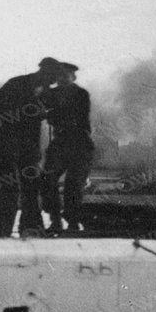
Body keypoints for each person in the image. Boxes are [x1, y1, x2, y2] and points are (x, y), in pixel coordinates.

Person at [0, 57, 62, 237]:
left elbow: (56, 114)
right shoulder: (17, 83)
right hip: (5, 141)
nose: (54, 82)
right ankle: (1, 232)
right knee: (8, 186)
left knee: (31, 185)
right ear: (45, 72)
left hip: (29, 144)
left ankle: (30, 229)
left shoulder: (48, 93)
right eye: (53, 77)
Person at [41, 62, 94, 232]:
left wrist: (50, 114)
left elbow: (74, 114)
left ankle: (72, 222)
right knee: (47, 180)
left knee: (73, 185)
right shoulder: (52, 93)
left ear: (73, 77)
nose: (62, 78)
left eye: (66, 75)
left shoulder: (81, 94)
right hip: (61, 142)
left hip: (80, 143)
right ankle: (55, 220)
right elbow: (38, 105)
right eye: (60, 75)